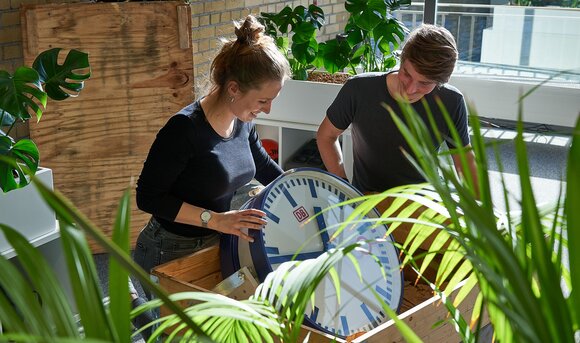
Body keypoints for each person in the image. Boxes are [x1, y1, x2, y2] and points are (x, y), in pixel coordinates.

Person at [130, 15, 291, 340]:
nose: (269, 109)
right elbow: (148, 197)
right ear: (233, 88)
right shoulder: (184, 130)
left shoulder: (242, 119)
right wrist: (215, 219)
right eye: (263, 100)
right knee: (175, 336)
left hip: (219, 241)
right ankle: (137, 309)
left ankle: (139, 308)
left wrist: (301, 192)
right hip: (169, 248)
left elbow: (262, 165)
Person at [316, 23, 478, 196]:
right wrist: (346, 191)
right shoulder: (359, 89)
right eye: (407, 74)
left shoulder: (451, 101)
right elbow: (326, 135)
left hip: (422, 203)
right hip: (367, 199)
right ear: (402, 61)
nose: (410, 90)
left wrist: (483, 213)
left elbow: (465, 162)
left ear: (440, 82)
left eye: (424, 83)